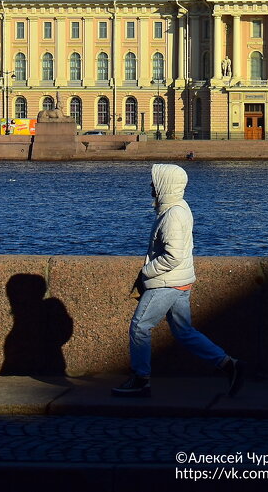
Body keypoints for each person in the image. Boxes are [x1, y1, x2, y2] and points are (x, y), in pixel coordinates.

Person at [112, 164, 244, 398]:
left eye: (155, 182)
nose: (152, 186)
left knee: (140, 327)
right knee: (184, 332)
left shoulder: (173, 214)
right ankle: (228, 364)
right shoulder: (178, 208)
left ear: (165, 185)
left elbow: (172, 256)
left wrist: (146, 272)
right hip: (180, 281)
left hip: (167, 283)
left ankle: (141, 379)